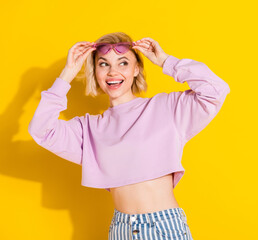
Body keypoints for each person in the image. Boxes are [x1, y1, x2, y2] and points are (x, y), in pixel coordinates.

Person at [28, 32, 230, 240]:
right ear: (95, 71)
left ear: (137, 69)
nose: (112, 72)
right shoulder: (88, 128)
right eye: (104, 64)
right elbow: (41, 130)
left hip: (163, 226)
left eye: (123, 63)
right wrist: (67, 74)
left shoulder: (166, 108)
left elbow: (216, 90)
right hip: (121, 229)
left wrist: (165, 61)